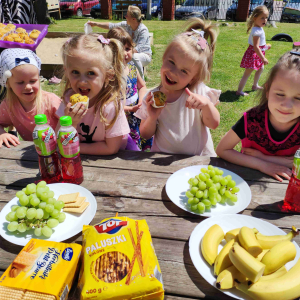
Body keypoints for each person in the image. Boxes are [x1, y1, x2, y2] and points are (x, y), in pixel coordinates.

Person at [134, 18, 221, 156]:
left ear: (193, 78)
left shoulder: (198, 91)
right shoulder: (152, 97)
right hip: (163, 161)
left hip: (198, 162)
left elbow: (214, 124)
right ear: (163, 58)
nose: (173, 73)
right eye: (171, 62)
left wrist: (206, 105)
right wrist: (152, 117)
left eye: (184, 71)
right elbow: (145, 134)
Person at [216, 50, 300, 182]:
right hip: (244, 183)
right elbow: (222, 149)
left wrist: (264, 158)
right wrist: (263, 165)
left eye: (298, 98)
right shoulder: (252, 119)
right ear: (267, 91)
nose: (287, 105)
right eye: (280, 94)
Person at [61, 33, 130, 155]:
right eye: (75, 72)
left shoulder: (110, 106)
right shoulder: (68, 100)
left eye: (91, 73)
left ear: (108, 75)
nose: (82, 81)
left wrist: (74, 147)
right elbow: (59, 140)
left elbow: (111, 148)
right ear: (66, 72)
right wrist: (70, 124)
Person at [0, 48, 62, 148]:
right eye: (20, 82)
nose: (28, 87)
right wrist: (2, 134)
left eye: (33, 81)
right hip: (32, 153)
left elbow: (71, 121)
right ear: (8, 84)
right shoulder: (8, 104)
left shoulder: (50, 100)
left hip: (58, 149)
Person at [107, 27, 153, 151]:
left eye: (127, 49)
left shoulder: (132, 67)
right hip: (122, 116)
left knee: (142, 137)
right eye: (119, 50)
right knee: (128, 146)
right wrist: (129, 108)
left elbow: (142, 86)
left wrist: (140, 101)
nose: (125, 53)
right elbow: (109, 103)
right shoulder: (111, 75)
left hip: (136, 112)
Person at [88, 5, 152, 79]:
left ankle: (141, 81)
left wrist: (122, 54)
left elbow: (138, 49)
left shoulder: (143, 30)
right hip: (129, 52)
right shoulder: (126, 25)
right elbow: (111, 25)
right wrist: (95, 24)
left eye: (127, 15)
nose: (125, 16)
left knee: (134, 57)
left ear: (133, 19)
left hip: (144, 55)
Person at [236, 6, 270, 96]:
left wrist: (266, 46)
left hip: (257, 53)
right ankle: (239, 91)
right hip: (254, 55)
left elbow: (260, 45)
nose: (265, 20)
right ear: (255, 18)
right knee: (247, 73)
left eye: (266, 17)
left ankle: (255, 85)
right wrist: (263, 58)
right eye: (262, 18)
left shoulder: (259, 29)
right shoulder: (257, 31)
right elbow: (256, 47)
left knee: (261, 68)